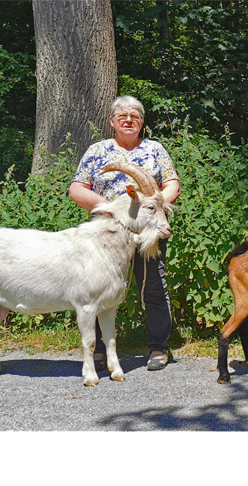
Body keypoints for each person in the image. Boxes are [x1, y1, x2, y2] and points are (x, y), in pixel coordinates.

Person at [68, 95, 181, 371]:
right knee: (96, 286)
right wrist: (109, 207)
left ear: (142, 122)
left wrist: (156, 207)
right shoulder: (97, 151)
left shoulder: (155, 149)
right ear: (112, 122)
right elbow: (77, 189)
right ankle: (96, 349)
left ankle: (158, 347)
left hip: (148, 229)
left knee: (152, 284)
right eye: (122, 116)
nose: (129, 120)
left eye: (135, 116)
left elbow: (172, 185)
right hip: (106, 231)